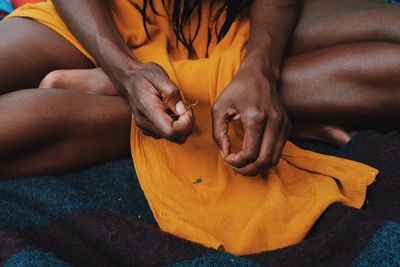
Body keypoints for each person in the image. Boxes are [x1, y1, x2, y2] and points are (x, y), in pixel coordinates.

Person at [0, 0, 396, 254]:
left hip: (243, 17)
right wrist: (125, 71)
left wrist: (260, 69)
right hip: (108, 15)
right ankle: (206, 98)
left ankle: (178, 96)